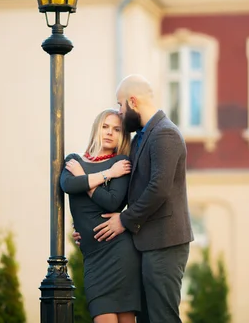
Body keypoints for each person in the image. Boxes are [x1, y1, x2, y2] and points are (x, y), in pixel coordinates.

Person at [74, 74, 194, 323]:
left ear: (132, 101)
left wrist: (124, 220)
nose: (119, 111)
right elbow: (128, 193)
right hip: (147, 243)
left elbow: (158, 189)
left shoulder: (165, 134)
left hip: (165, 243)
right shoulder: (142, 137)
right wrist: (88, 227)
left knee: (163, 317)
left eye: (120, 105)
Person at [60, 108, 141, 323]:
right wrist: (107, 175)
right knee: (101, 314)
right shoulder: (75, 161)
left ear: (123, 135)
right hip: (93, 258)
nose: (109, 133)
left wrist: (87, 178)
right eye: (105, 127)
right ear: (97, 128)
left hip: (119, 251)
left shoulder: (121, 163)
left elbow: (112, 201)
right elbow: (68, 184)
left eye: (116, 129)